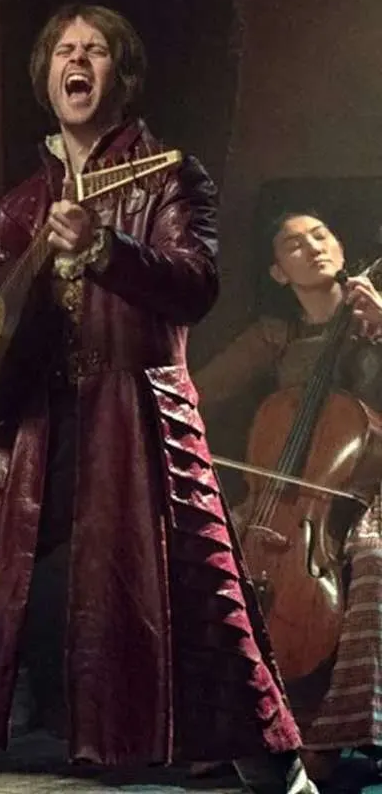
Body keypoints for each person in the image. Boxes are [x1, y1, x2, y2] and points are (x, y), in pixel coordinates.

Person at [0, 5, 318, 794]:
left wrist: (103, 247)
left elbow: (195, 285)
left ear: (121, 75)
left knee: (202, 613)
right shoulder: (25, 201)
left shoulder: (170, 176)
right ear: (46, 75)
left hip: (145, 420)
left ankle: (281, 780)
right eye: (64, 50)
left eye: (94, 50)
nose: (76, 61)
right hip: (37, 426)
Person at [194, 212, 382, 793]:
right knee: (210, 555)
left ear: (340, 247)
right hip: (294, 495)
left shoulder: (376, 316)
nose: (311, 246)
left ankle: (333, 734)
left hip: (372, 485)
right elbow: (196, 392)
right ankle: (235, 728)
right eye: (292, 244)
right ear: (278, 271)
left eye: (320, 235)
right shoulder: (275, 336)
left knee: (372, 556)